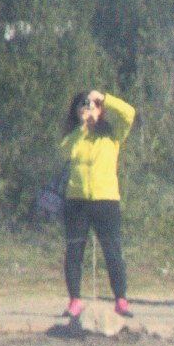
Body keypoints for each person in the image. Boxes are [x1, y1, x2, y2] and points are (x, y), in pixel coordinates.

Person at [58, 89, 136, 320]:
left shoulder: (112, 135)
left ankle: (120, 299)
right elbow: (66, 152)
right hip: (77, 201)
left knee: (112, 251)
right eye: (84, 105)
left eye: (92, 106)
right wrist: (81, 127)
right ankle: (75, 300)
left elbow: (129, 113)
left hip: (106, 200)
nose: (89, 109)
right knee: (74, 252)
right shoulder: (73, 135)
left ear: (100, 111)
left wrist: (103, 98)